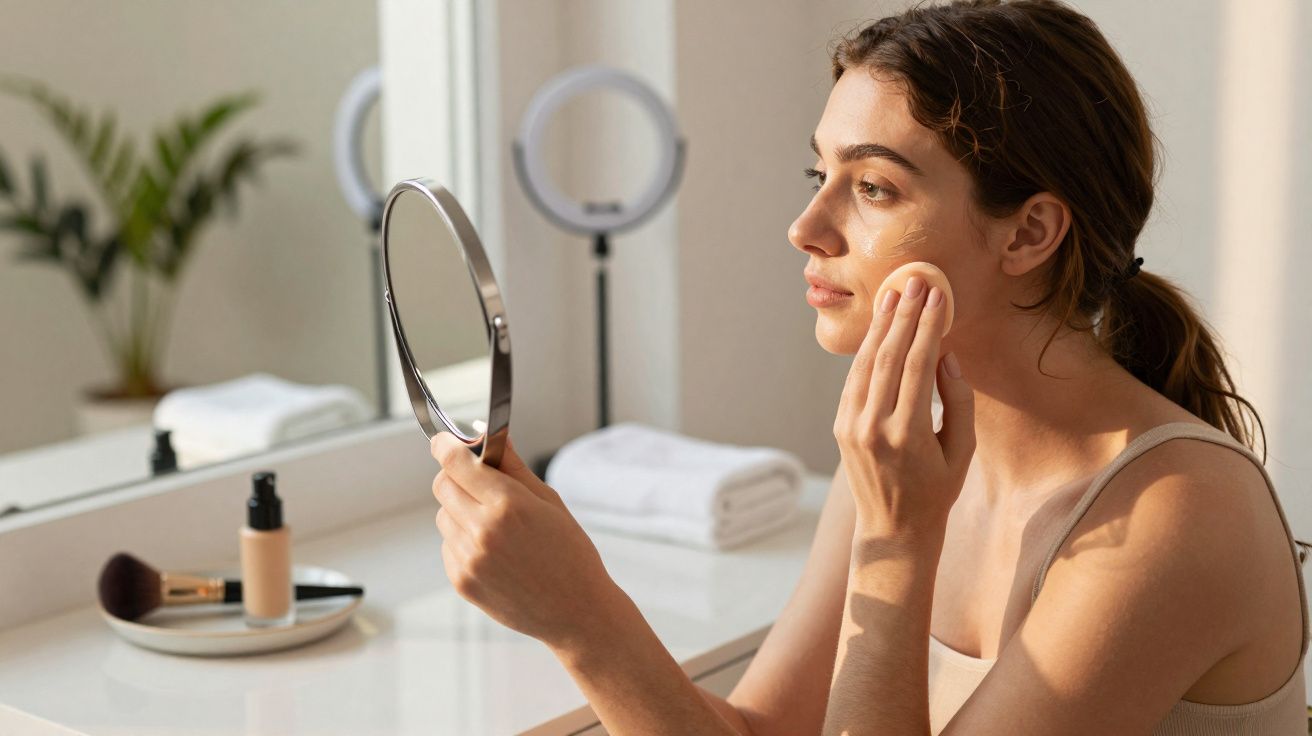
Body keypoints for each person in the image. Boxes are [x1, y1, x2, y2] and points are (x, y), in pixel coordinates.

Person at [427, 0, 1309, 733]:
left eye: (874, 187)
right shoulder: (905, 459)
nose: (806, 228)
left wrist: (587, 622)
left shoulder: (1171, 515)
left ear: (1029, 233)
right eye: (819, 173)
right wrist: (577, 607)